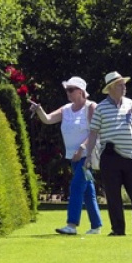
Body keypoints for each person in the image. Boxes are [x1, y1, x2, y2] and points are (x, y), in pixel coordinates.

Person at [28, 77, 103, 236]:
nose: (68, 93)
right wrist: (39, 110)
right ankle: (96, 226)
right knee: (88, 191)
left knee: (76, 187)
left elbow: (95, 132)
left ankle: (71, 224)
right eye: (67, 90)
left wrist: (82, 148)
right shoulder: (66, 109)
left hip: (86, 156)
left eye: (71, 90)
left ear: (81, 91)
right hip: (73, 158)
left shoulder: (91, 107)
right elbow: (48, 119)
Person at [84, 71, 132, 236]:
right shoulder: (100, 108)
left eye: (124, 84)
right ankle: (118, 229)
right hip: (110, 156)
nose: (124, 87)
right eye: (121, 85)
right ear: (112, 88)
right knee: (113, 196)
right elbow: (93, 134)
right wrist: (88, 156)